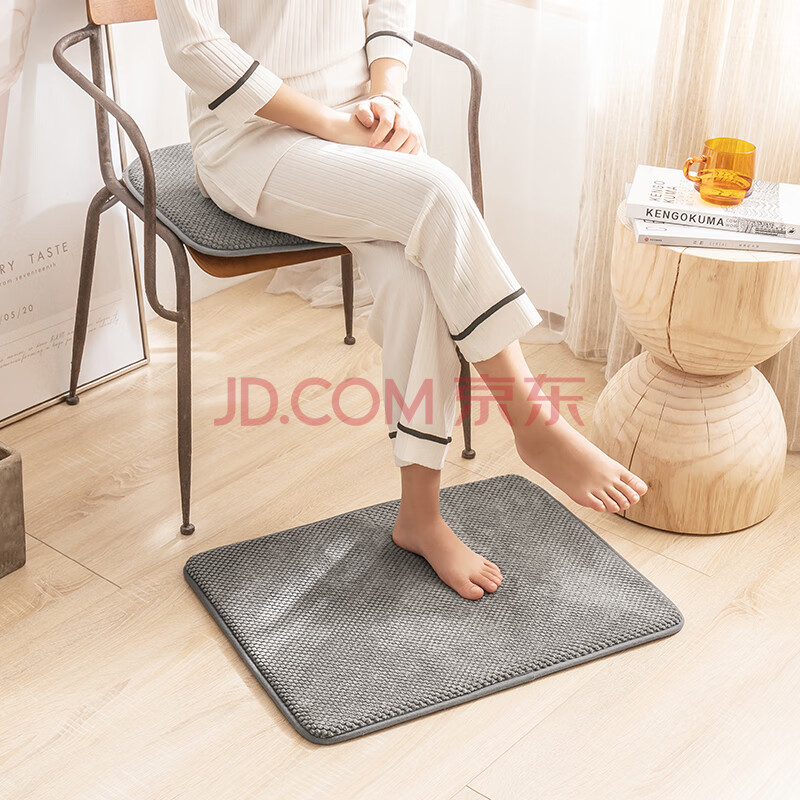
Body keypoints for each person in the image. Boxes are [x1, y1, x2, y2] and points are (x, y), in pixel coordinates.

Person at [154, 0, 648, 601]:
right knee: (437, 193)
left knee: (418, 277)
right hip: (252, 139)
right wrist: (329, 124)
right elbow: (195, 47)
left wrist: (385, 94)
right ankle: (533, 421)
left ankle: (420, 517)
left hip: (364, 119)